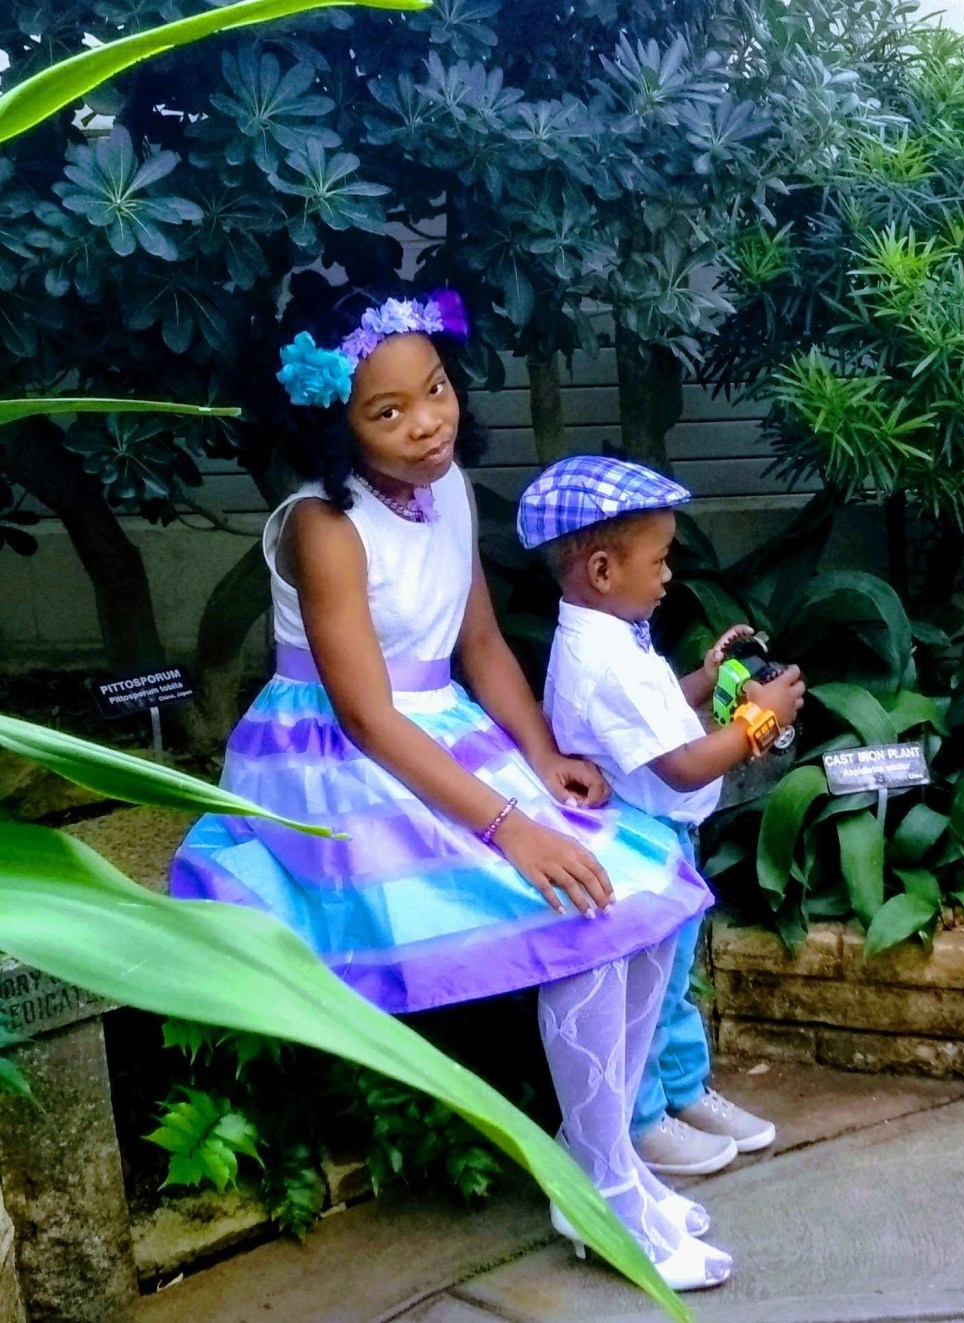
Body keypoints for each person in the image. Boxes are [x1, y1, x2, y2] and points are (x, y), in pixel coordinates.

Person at [170, 288, 733, 1290]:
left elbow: (478, 643)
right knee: (578, 910)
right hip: (342, 767)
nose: (427, 422)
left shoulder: (450, 490)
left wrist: (540, 753)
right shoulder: (324, 526)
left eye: (435, 390)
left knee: (644, 895)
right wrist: (514, 826)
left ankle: (604, 1161)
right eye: (388, 411)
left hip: (449, 736)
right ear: (337, 423)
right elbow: (366, 715)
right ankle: (600, 1185)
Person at [517, 455, 806, 1196]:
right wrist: (757, 722)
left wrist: (706, 680)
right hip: (644, 847)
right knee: (648, 992)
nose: (670, 574)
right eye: (660, 559)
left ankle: (683, 1090)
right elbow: (680, 765)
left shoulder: (612, 634)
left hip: (662, 842)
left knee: (675, 982)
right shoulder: (603, 657)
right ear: (603, 570)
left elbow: (653, 716)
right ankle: (642, 1119)